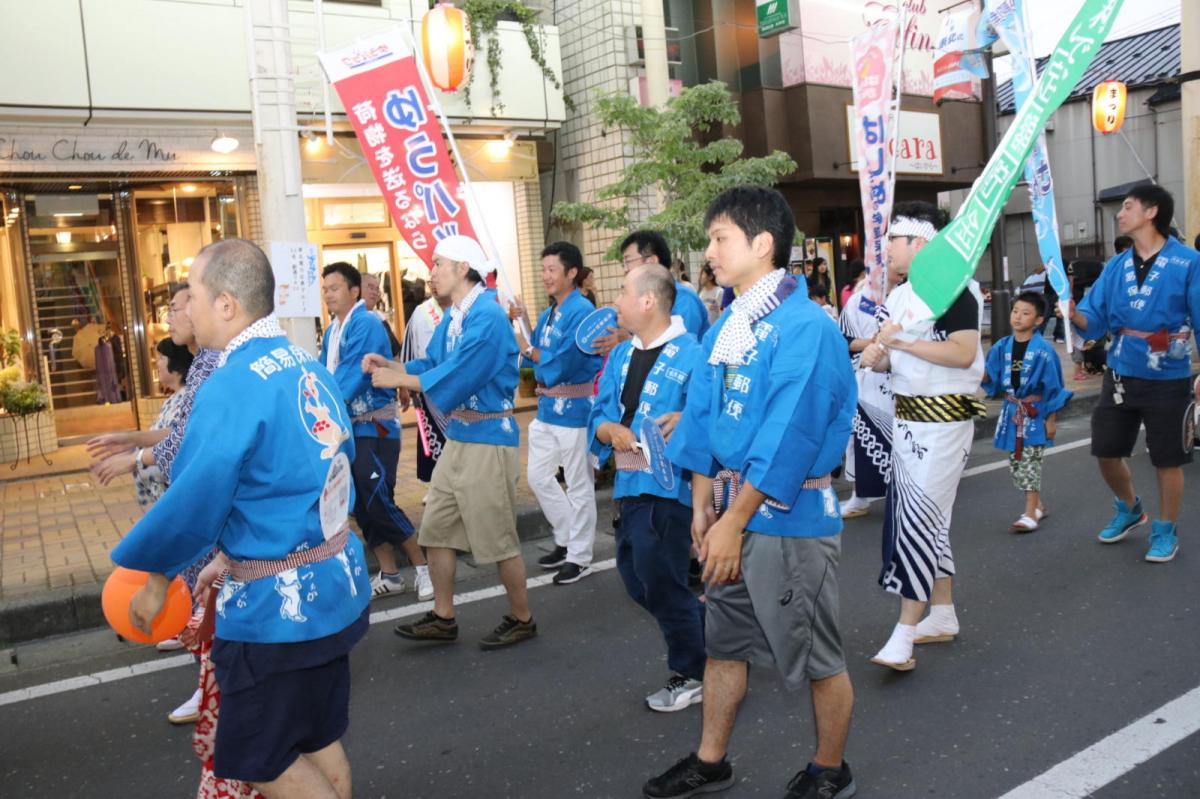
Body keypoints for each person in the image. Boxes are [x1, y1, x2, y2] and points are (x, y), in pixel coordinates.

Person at [112, 238, 370, 798]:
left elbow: (197, 497)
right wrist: (230, 556)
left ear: (227, 304)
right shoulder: (302, 361)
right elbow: (301, 478)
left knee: (261, 758)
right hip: (333, 587)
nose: (185, 308)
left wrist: (157, 582)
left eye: (194, 296)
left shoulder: (232, 383)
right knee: (318, 738)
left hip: (277, 613)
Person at [645, 186, 857, 799]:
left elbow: (787, 431)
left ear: (762, 245)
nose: (708, 250)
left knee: (818, 655)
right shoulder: (731, 323)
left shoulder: (805, 325)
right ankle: (710, 760)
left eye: (720, 238)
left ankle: (830, 768)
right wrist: (701, 505)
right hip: (733, 516)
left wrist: (732, 520)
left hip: (787, 518)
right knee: (725, 645)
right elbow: (704, 417)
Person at [365, 235, 538, 648]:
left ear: (463, 268)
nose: (432, 272)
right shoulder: (458, 316)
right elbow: (436, 363)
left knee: (497, 539)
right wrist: (394, 364)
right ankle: (444, 616)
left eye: (439, 263)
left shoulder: (488, 317)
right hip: (461, 436)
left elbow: (463, 371)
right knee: (437, 530)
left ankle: (522, 616)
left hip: (487, 439)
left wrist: (401, 378)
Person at [88, 280, 222, 725]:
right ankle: (211, 691)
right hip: (201, 509)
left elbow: (195, 442)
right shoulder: (207, 363)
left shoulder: (218, 365)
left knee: (210, 609)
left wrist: (137, 456)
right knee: (207, 610)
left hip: (210, 513)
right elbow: (181, 435)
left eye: (179, 305)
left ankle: (213, 695)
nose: (171, 315)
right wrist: (131, 443)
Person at [860, 201, 986, 672]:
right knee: (930, 516)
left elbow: (961, 352)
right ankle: (943, 613)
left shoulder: (955, 290)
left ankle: (905, 633)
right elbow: (903, 359)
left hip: (945, 418)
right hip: (908, 418)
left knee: (917, 520)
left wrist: (899, 343)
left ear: (920, 242)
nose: (887, 248)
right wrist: (882, 357)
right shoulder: (900, 297)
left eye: (894, 239)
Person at [589, 262, 706, 713]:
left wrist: (688, 419)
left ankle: (692, 671)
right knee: (639, 581)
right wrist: (608, 432)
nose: (614, 301)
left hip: (670, 488)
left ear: (648, 300)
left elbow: (711, 417)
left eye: (621, 291)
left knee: (660, 580)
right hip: (628, 484)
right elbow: (598, 415)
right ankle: (713, 639)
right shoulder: (620, 355)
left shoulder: (694, 355)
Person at [1068, 184, 1200, 563]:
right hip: (1122, 370)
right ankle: (1129, 508)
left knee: (1167, 458)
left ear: (1151, 211)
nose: (1120, 213)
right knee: (1106, 452)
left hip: (1169, 373)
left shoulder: (1188, 262)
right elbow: (1094, 319)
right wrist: (1074, 313)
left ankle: (1165, 529)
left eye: (1127, 207)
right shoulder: (1115, 266)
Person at [320, 263, 432, 602]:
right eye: (325, 288)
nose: (328, 294)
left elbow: (353, 376)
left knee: (377, 498)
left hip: (374, 425)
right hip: (349, 429)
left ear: (354, 291)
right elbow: (327, 374)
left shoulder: (366, 322)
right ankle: (390, 573)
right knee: (361, 505)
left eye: (335, 287)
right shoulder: (331, 331)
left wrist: (326, 407)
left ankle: (423, 566)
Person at [508, 242, 604, 585]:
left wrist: (529, 351)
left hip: (575, 410)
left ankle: (580, 556)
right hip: (549, 409)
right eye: (544, 269)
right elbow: (540, 349)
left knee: (579, 485)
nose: (545, 275)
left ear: (572, 273)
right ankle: (566, 538)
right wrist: (522, 323)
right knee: (538, 476)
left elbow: (561, 362)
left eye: (552, 269)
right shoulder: (554, 311)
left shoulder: (582, 311)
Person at [981, 292, 1072, 531]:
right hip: (1011, 411)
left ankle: (1030, 512)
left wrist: (1050, 421)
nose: (1018, 317)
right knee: (1016, 462)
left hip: (1034, 413)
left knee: (1030, 461)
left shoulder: (1043, 350)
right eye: (1015, 311)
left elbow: (1054, 388)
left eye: (1026, 313)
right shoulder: (1002, 347)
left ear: (1039, 320)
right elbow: (990, 376)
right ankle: (1039, 505)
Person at [838, 249, 911, 520]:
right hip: (867, 379)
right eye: (888, 263)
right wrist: (871, 344)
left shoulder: (908, 299)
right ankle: (860, 495)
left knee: (904, 440)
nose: (895, 267)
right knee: (862, 441)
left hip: (902, 380)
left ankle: (905, 495)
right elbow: (843, 340)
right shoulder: (858, 302)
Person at [592, 230, 710, 355]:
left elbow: (680, 350)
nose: (625, 269)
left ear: (651, 261)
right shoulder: (640, 298)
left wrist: (629, 341)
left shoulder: (683, 298)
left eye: (628, 261)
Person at [400, 272, 452, 489]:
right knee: (432, 441)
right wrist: (405, 386)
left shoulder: (463, 312)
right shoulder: (421, 313)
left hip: (455, 389)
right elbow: (410, 351)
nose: (434, 285)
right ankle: (436, 487)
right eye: (431, 282)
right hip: (428, 390)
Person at [360, 272, 402, 357]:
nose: (375, 292)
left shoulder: (379, 317)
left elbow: (395, 352)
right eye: (371, 288)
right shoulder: (348, 320)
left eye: (377, 289)